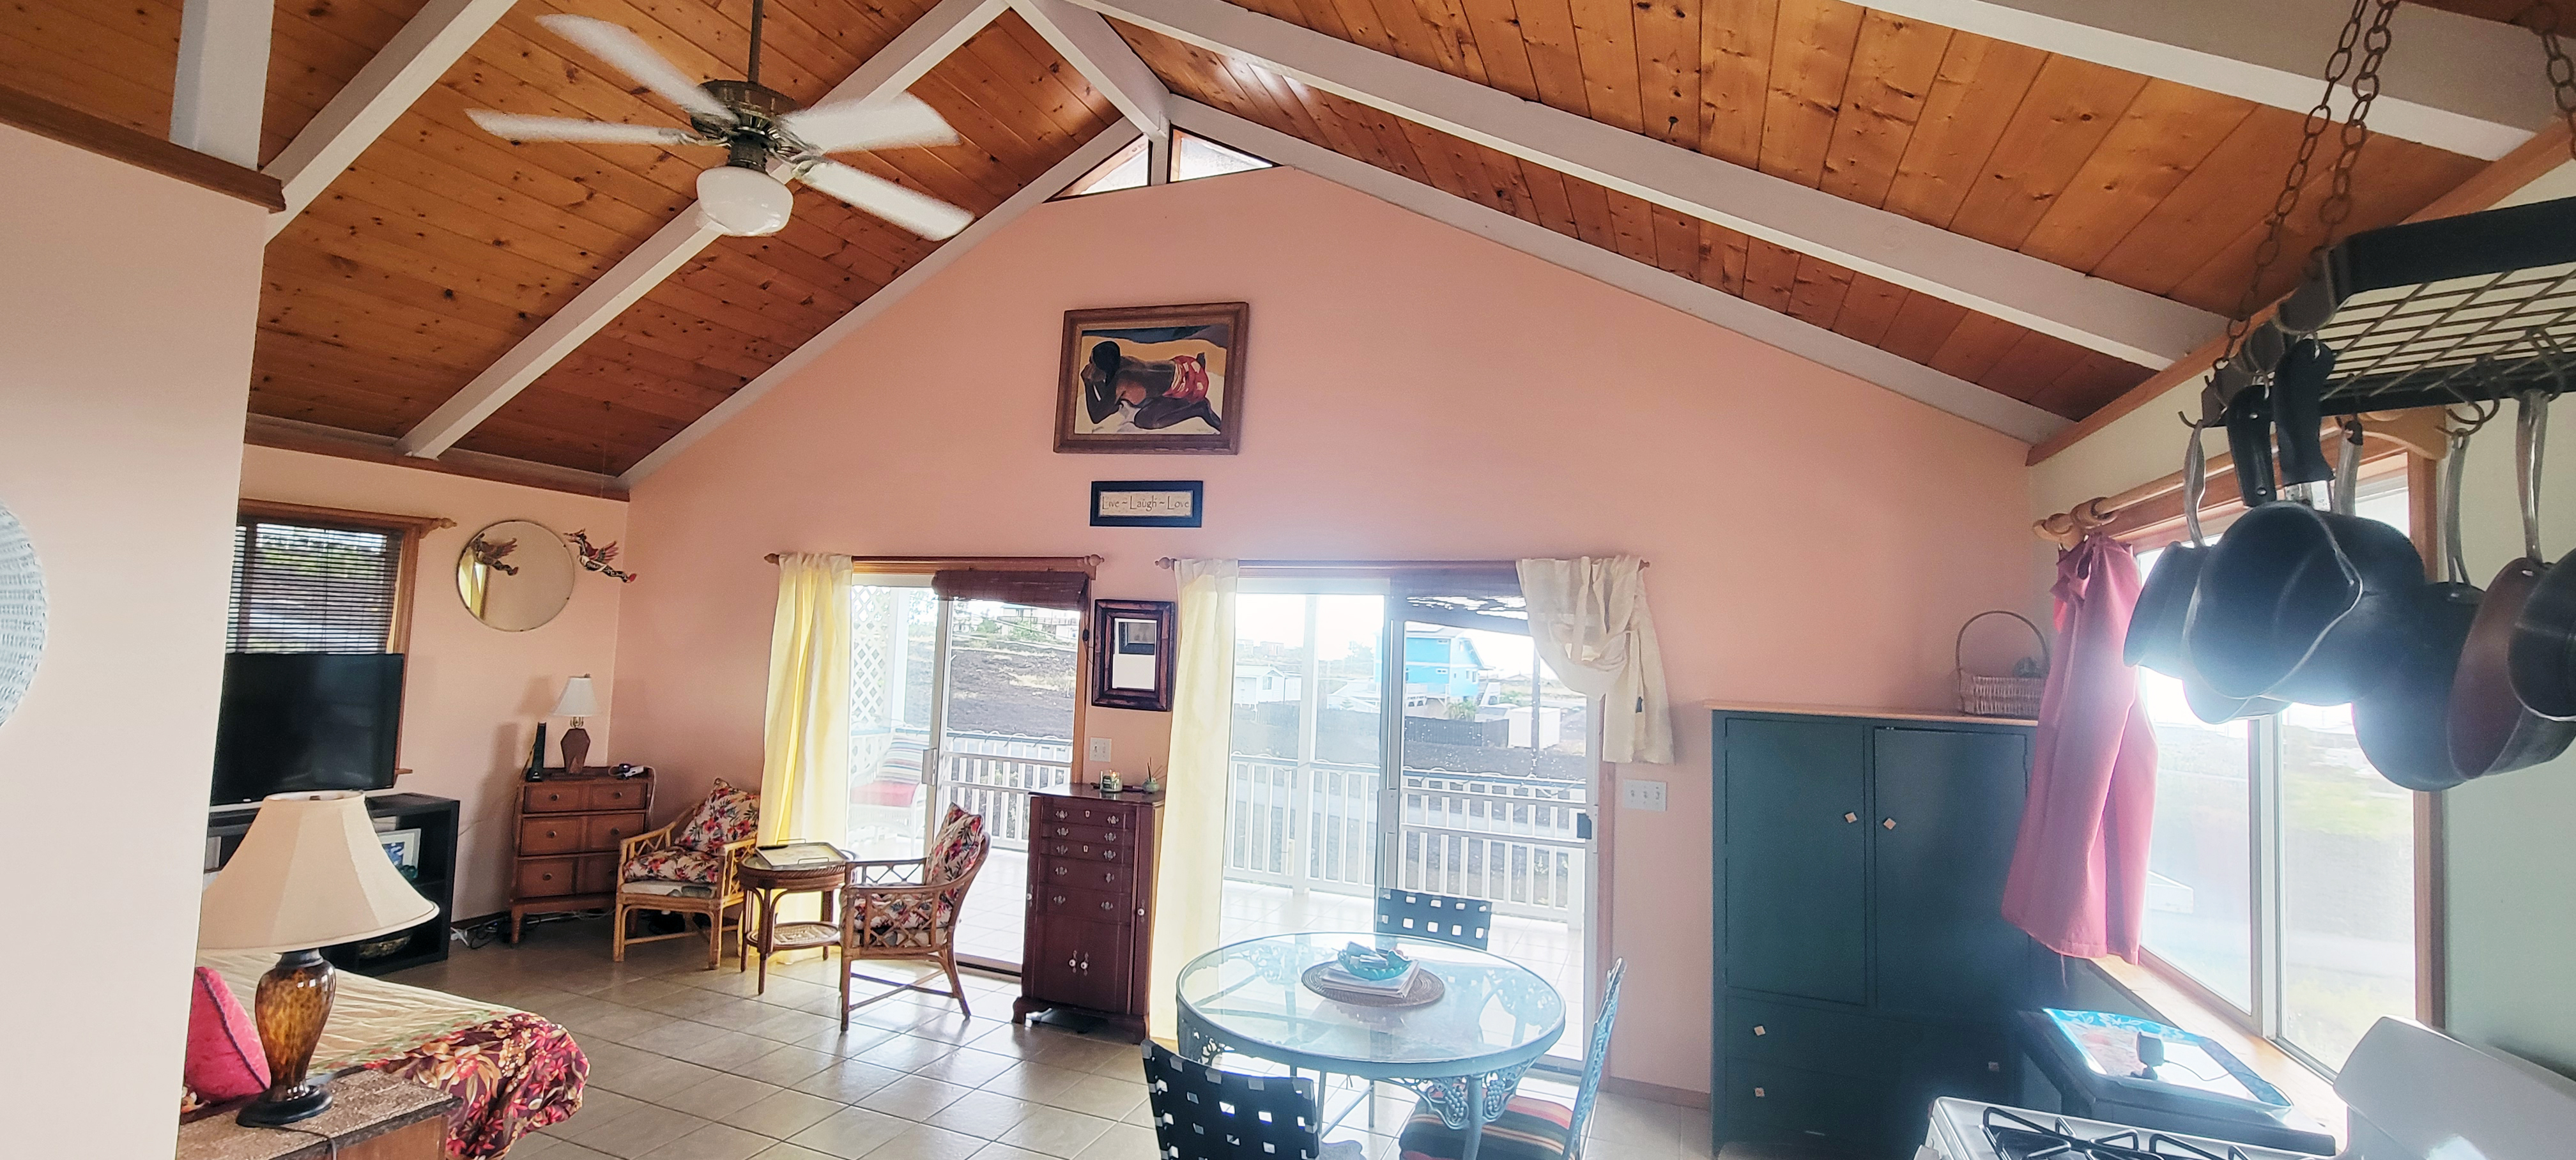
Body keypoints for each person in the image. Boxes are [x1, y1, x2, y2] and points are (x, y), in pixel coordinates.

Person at [1081, 339, 1222, 433]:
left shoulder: (1122, 380)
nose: (1090, 366)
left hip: (1188, 385)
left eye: (1093, 363)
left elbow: (1097, 416)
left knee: (1144, 420)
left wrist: (1088, 383)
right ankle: (1197, 373)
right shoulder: (1124, 362)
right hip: (1186, 366)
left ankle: (1198, 408)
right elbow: (1112, 404)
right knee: (1147, 399)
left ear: (1103, 367)